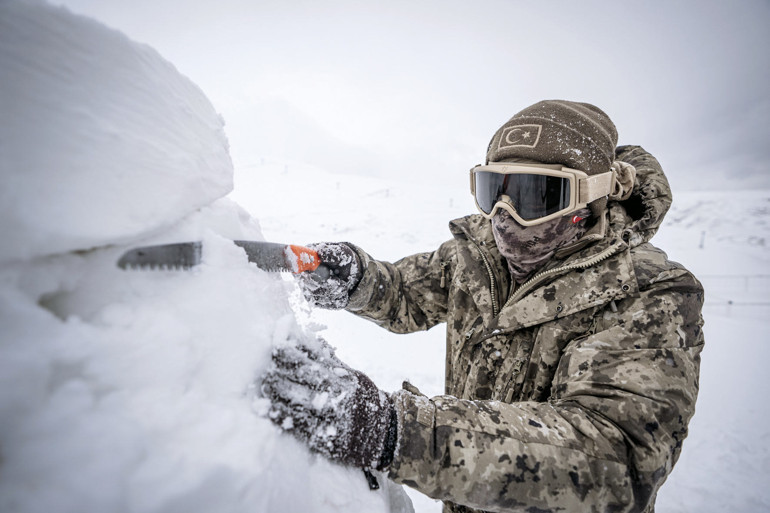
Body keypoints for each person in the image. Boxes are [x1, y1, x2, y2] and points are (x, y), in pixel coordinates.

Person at [262, 100, 705, 513]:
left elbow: (616, 458)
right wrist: (355, 278)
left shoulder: (650, 293)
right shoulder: (478, 256)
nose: (504, 216)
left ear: (590, 200)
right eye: (495, 190)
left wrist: (399, 432)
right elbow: (405, 294)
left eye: (535, 195)